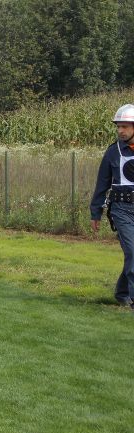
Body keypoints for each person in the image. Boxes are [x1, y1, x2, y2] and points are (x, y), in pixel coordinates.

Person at [90, 104, 134, 309]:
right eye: (118, 126)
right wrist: (95, 212)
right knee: (133, 252)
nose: (120, 131)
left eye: (125, 126)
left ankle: (122, 292)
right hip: (121, 209)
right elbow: (102, 184)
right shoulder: (112, 152)